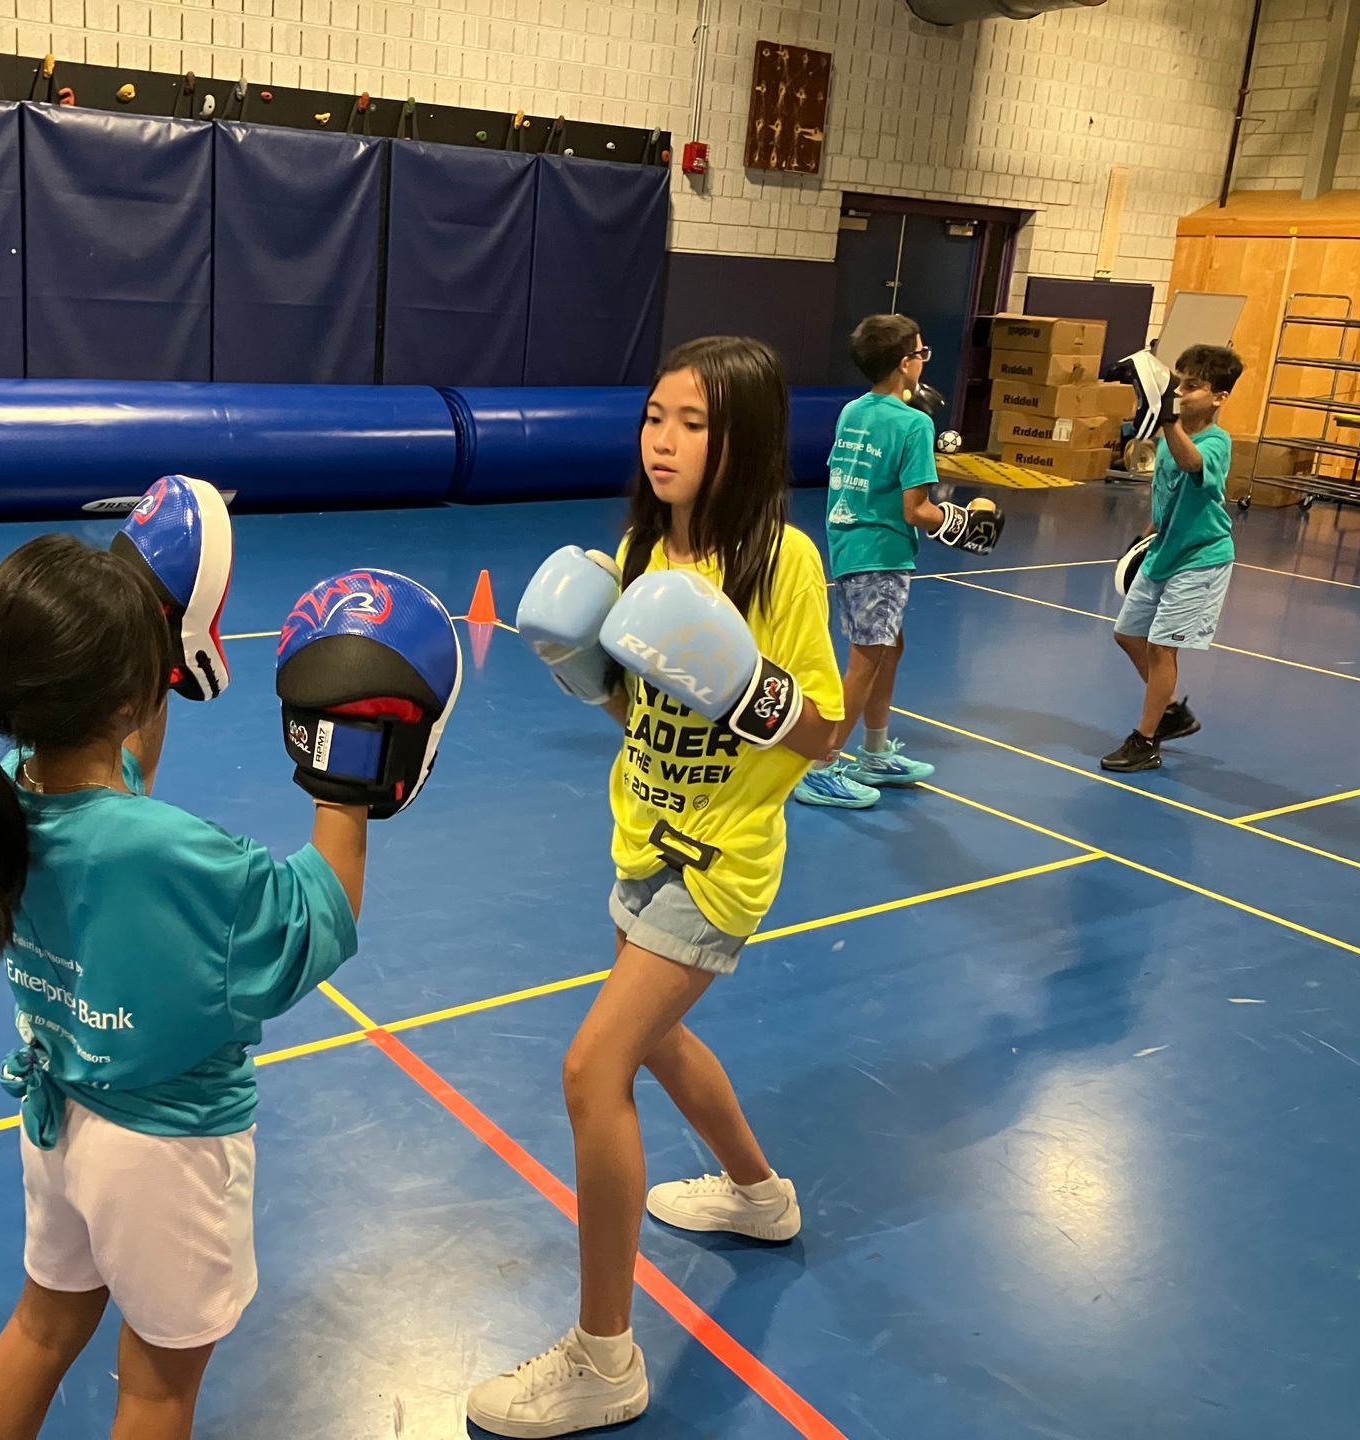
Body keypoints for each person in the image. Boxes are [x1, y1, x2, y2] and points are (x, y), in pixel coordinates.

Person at [0, 486, 457, 1439]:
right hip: (164, 1154)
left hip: (60, 1124)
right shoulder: (173, 853)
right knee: (156, 1386)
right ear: (131, 693)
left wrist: (146, 624)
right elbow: (315, 920)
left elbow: (119, 778)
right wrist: (345, 774)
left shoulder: (4, 793)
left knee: (44, 1326)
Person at [476, 336, 845, 1437]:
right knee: (660, 1042)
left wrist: (753, 692)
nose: (666, 439)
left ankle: (605, 1358)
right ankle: (757, 1195)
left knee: (595, 1070)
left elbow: (822, 737)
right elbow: (640, 714)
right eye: (654, 417)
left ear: (742, 441)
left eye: (693, 422)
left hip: (720, 858)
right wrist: (578, 672)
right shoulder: (639, 547)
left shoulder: (783, 564)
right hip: (641, 832)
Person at [793, 314, 1001, 810]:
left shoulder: (851, 411)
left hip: (847, 543)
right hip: (882, 552)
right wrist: (960, 520)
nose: (924, 362)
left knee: (890, 647)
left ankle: (876, 750)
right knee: (866, 660)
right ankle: (822, 765)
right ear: (906, 363)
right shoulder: (915, 424)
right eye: (923, 355)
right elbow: (917, 510)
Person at [1102, 343, 1243, 772]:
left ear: (1219, 396)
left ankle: (1145, 741)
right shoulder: (1171, 436)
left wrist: (1167, 419)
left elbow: (1191, 463)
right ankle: (1170, 712)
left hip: (1201, 558)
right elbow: (1166, 493)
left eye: (1193, 386)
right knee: (1127, 635)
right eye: (1179, 383)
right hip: (1164, 550)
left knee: (1163, 648)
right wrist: (1145, 535)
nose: (1182, 392)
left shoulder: (1215, 442)